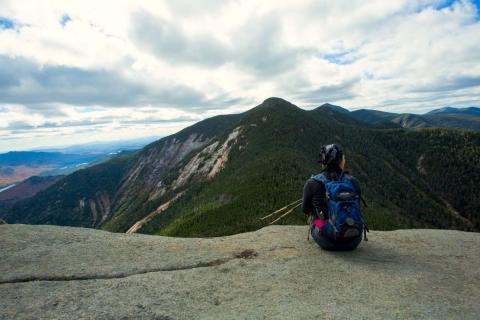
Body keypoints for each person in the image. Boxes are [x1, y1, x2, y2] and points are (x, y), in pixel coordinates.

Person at [302, 144, 364, 251]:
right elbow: (358, 206)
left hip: (327, 241)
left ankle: (321, 225)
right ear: (341, 160)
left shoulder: (312, 183)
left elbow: (305, 209)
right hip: (354, 240)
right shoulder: (353, 181)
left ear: (323, 162)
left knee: (314, 220)